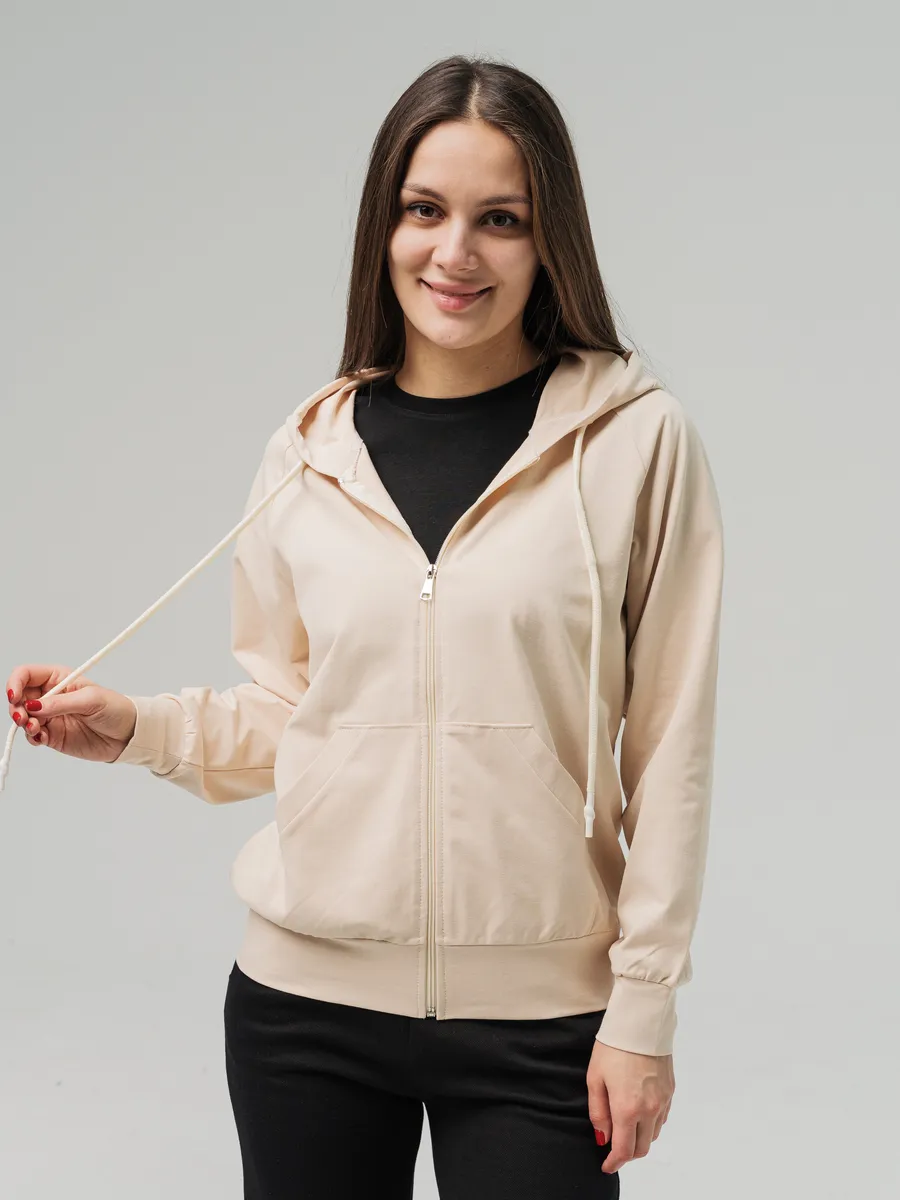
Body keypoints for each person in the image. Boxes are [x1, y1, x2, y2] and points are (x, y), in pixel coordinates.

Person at [5, 54, 724, 1198]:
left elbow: (671, 750)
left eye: (500, 219)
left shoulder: (636, 442)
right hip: (305, 1018)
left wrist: (643, 1009)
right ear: (383, 226)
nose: (455, 253)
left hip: (543, 1021)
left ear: (549, 239)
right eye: (424, 210)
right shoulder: (309, 451)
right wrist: (135, 727)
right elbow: (303, 715)